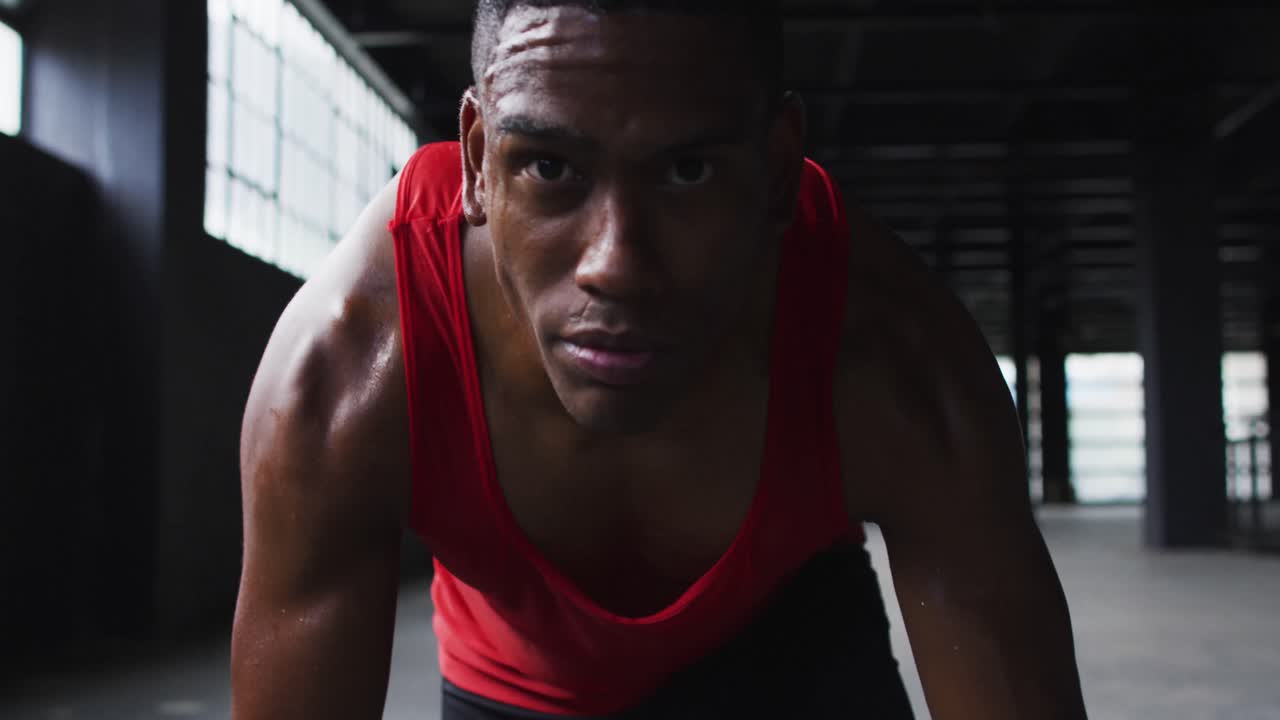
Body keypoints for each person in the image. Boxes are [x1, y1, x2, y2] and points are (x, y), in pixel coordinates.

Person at [231, 1, 1088, 718]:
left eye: (687, 171)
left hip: (795, 644)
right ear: (479, 161)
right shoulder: (350, 372)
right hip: (518, 677)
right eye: (550, 166)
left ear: (781, 166)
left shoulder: (895, 363)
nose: (616, 263)